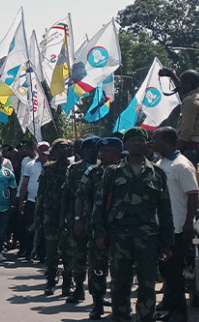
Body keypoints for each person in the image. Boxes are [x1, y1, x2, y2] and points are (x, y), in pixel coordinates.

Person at [93, 128, 173, 322]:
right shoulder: (112, 172)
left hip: (147, 237)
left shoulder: (158, 173)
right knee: (120, 283)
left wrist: (166, 242)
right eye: (133, 140)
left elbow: (165, 209)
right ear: (126, 145)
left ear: (147, 144)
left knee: (147, 284)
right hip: (119, 236)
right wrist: (99, 233)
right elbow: (100, 204)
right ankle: (121, 317)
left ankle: (146, 318)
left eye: (141, 140)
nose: (138, 143)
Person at [154, 126, 199, 322]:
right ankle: (170, 305)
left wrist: (189, 223)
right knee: (166, 271)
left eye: (155, 140)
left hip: (179, 228)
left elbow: (193, 195)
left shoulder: (182, 165)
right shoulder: (162, 162)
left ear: (167, 142)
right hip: (164, 227)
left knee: (175, 273)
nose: (152, 143)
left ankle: (180, 313)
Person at [76, 137, 122, 319]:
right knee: (97, 266)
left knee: (120, 267)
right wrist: (78, 219)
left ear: (117, 153)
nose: (102, 155)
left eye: (107, 151)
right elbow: (79, 196)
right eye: (101, 151)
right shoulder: (92, 172)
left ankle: (119, 303)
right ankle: (97, 302)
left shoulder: (124, 172)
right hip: (96, 226)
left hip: (120, 228)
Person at [61, 137, 100, 304]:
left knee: (98, 259)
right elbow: (68, 194)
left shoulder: (105, 169)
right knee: (78, 255)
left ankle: (98, 295)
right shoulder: (74, 169)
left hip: (99, 221)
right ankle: (78, 288)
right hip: (78, 219)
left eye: (94, 148)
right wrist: (64, 217)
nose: (91, 151)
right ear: (82, 151)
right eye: (88, 148)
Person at [36, 139, 72, 295]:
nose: (63, 151)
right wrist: (38, 216)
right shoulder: (48, 168)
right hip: (50, 214)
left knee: (69, 251)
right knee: (51, 251)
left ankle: (67, 283)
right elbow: (41, 193)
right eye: (59, 148)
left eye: (66, 148)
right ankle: (50, 281)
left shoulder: (74, 168)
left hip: (70, 215)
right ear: (54, 151)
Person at [17, 141, 48, 261]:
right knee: (30, 228)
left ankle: (42, 253)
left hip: (47, 203)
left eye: (46, 148)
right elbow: (24, 184)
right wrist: (21, 201)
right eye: (41, 149)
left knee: (45, 229)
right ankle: (28, 251)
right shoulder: (30, 165)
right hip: (31, 201)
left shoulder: (53, 165)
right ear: (38, 150)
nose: (44, 151)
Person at [170, 69, 199, 150]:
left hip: (189, 144)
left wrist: (179, 146)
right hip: (198, 142)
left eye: (182, 82)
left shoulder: (189, 101)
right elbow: (188, 90)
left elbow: (187, 128)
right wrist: (173, 77)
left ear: (188, 84)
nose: (180, 85)